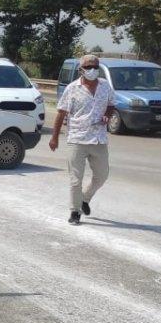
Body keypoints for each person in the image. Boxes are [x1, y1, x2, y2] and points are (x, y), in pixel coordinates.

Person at [50, 54, 116, 225]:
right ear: (81, 69)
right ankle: (75, 211)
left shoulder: (105, 86)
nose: (92, 70)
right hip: (77, 139)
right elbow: (61, 113)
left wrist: (107, 115)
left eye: (95, 66)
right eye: (88, 67)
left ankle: (85, 199)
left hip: (98, 139)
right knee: (75, 179)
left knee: (102, 175)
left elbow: (111, 104)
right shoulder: (72, 88)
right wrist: (54, 137)